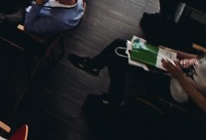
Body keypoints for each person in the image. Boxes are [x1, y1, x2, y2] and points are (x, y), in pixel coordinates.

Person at [69, 40, 206, 113]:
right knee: (120, 45)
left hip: (176, 87)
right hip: (174, 67)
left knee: (118, 57)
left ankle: (113, 98)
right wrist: (170, 52)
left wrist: (180, 76)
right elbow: (199, 58)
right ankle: (93, 66)